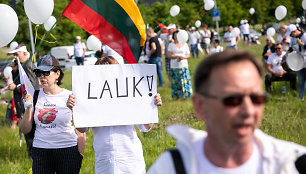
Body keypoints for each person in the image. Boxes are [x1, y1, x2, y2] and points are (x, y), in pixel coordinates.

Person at [148, 49, 306, 174]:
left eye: (256, 99)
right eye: (232, 100)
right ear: (200, 106)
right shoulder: (173, 167)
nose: (248, 110)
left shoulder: (292, 163)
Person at [67, 56, 163, 174]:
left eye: (110, 69)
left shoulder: (129, 93)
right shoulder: (90, 94)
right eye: (102, 71)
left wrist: (151, 106)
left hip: (130, 158)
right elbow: (82, 128)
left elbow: (146, 127)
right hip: (104, 158)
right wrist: (75, 109)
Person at [19, 55, 85, 173]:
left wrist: (80, 153)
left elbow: (82, 129)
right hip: (41, 151)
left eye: (45, 72)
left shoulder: (71, 96)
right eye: (38, 73)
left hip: (68, 150)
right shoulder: (34, 96)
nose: (41, 77)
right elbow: (25, 129)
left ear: (57, 74)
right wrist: (29, 108)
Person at [8, 44, 40, 158]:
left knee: (31, 134)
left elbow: (33, 86)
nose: (15, 57)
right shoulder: (22, 66)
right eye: (14, 55)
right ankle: (31, 156)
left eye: (17, 54)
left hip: (30, 106)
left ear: (25, 54)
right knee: (27, 133)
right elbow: (21, 82)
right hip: (25, 105)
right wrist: (14, 71)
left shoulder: (28, 66)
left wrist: (15, 87)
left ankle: (33, 158)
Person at [167, 30, 193, 100]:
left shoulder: (185, 44)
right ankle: (177, 97)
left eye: (177, 35)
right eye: (175, 35)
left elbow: (188, 54)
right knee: (176, 83)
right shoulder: (171, 45)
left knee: (184, 82)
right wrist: (176, 57)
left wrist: (183, 57)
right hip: (174, 66)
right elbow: (169, 55)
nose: (176, 37)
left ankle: (185, 97)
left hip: (183, 66)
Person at [285, 24, 306, 100]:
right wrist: (286, 54)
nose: (290, 36)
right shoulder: (293, 39)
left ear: (294, 31)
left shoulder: (305, 36)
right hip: (298, 62)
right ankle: (300, 98)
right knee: (300, 81)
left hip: (305, 60)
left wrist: (301, 44)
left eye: (291, 34)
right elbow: (291, 48)